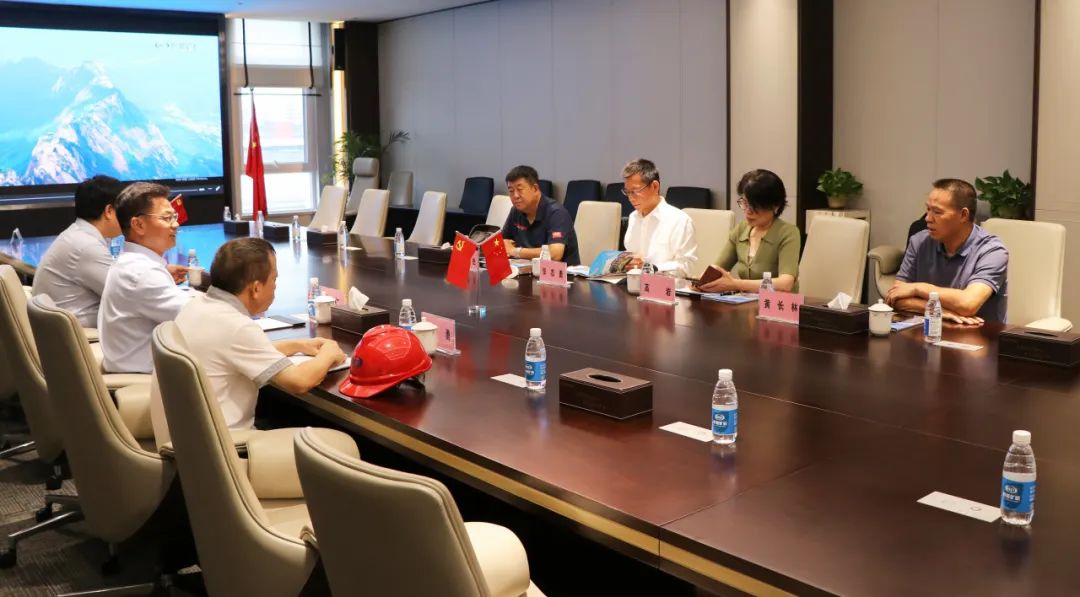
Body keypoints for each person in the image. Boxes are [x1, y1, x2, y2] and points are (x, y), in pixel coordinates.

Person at [150, 237, 347, 445]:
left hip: (185, 443)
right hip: (225, 447)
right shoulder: (236, 326)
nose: (275, 286)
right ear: (255, 289)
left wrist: (298, 345)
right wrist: (328, 354)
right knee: (337, 442)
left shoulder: (196, 306)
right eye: (274, 280)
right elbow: (299, 381)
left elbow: (234, 353)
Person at [887, 178, 1008, 324]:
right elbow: (895, 297)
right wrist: (943, 312)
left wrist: (918, 288)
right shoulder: (919, 241)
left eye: (937, 212)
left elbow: (968, 304)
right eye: (928, 209)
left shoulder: (992, 251)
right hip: (927, 330)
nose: (927, 218)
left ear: (963, 215)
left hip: (978, 334)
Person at [98, 182, 190, 373]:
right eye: (167, 218)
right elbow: (195, 316)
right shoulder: (142, 272)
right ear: (138, 225)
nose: (176, 224)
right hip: (146, 376)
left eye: (174, 216)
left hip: (133, 366)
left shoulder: (132, 262)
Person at [31, 175, 126, 327]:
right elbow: (127, 296)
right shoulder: (87, 247)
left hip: (64, 331)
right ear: (109, 211)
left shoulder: (78, 235)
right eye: (124, 210)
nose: (128, 218)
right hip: (83, 335)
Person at [698, 169, 800, 293]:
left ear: (775, 206)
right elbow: (718, 268)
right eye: (745, 203)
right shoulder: (741, 229)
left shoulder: (787, 232)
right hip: (747, 302)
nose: (748, 211)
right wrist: (701, 281)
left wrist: (735, 284)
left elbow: (785, 283)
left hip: (777, 304)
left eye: (755, 205)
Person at [621, 158, 698, 277]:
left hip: (667, 286)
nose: (631, 197)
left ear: (654, 187)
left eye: (635, 191)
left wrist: (650, 268)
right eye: (627, 192)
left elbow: (687, 266)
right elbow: (631, 255)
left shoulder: (679, 221)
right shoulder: (633, 217)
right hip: (632, 283)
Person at [500, 165, 580, 265]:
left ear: (535, 188)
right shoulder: (515, 211)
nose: (515, 196)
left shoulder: (557, 213)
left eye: (520, 189)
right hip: (528, 270)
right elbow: (503, 242)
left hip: (561, 273)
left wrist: (516, 251)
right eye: (511, 191)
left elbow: (555, 254)